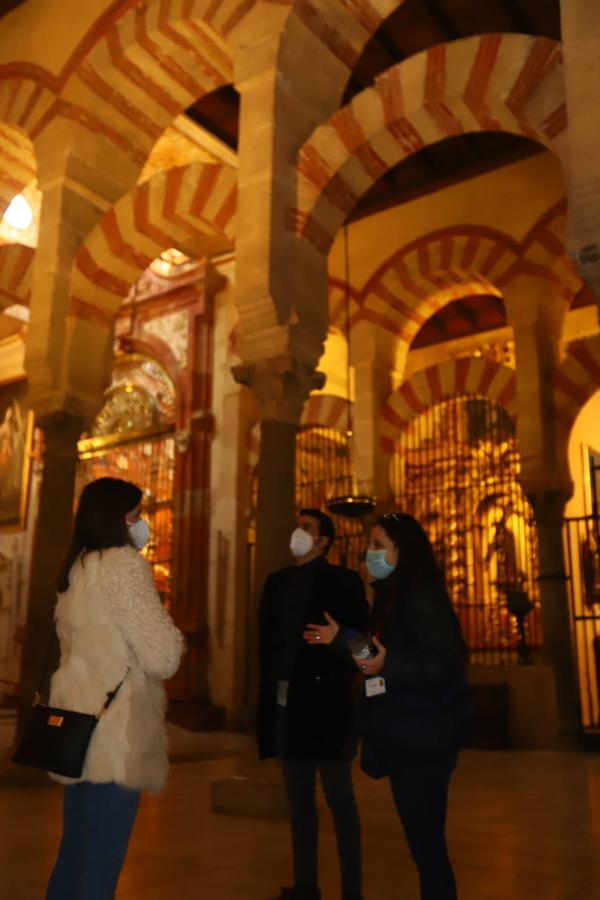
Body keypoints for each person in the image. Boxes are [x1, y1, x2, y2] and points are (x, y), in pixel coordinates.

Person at [312, 513, 470, 900]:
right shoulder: (394, 596)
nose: (370, 553)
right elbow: (377, 656)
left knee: (427, 847)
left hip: (423, 738)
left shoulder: (420, 595)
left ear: (405, 550)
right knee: (424, 846)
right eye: (370, 544)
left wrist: (389, 664)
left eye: (379, 545)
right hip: (405, 735)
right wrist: (342, 638)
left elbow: (447, 662)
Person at [44, 477, 184, 900]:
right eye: (137, 514)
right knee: (100, 868)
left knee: (73, 856)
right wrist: (173, 638)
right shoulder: (122, 566)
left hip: (79, 732)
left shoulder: (78, 568)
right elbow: (163, 655)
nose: (141, 523)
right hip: (115, 738)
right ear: (117, 519)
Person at [258, 508, 369, 900]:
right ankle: (305, 885)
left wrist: (338, 638)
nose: (297, 532)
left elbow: (363, 647)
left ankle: (352, 890)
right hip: (287, 708)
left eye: (306, 528)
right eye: (297, 526)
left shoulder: (344, 582)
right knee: (299, 802)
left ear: (323, 541)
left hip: (329, 708)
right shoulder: (276, 583)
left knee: (341, 802)